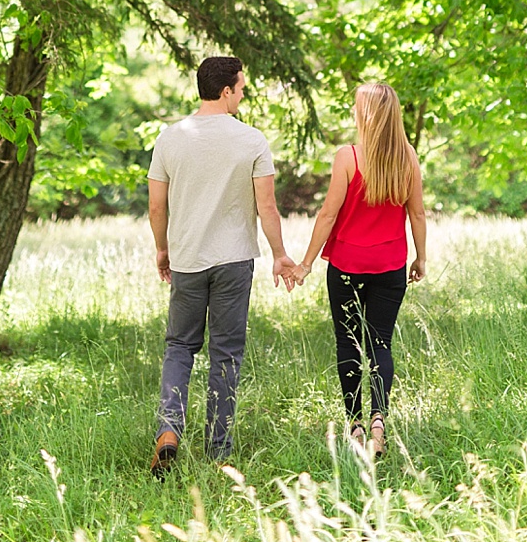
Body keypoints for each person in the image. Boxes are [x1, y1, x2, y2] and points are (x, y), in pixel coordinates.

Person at [147, 56, 297, 477]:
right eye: (242, 87)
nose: (243, 94)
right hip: (233, 261)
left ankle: (170, 430)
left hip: (189, 259)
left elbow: (157, 206)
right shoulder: (251, 140)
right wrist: (280, 253)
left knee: (180, 346)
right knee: (225, 354)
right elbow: (266, 205)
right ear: (226, 90)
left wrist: (163, 249)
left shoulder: (170, 139)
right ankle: (218, 450)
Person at [290, 81, 428, 458]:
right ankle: (379, 420)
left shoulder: (348, 157)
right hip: (390, 266)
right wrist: (421, 257)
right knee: (380, 343)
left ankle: (355, 424)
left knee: (348, 342)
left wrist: (305, 264)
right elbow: (417, 213)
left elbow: (328, 214)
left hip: (348, 266)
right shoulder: (408, 158)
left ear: (365, 114)